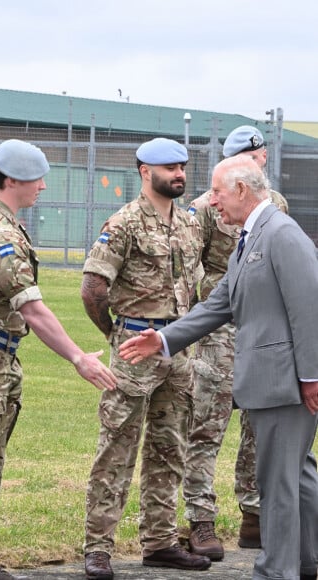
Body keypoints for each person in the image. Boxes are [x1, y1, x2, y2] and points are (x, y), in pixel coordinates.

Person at [120, 154, 318, 580]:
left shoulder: (281, 234)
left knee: (277, 484)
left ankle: (275, 571)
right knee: (296, 476)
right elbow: (217, 304)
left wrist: (311, 377)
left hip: (286, 384)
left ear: (243, 191)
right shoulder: (249, 240)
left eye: (217, 192)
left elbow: (310, 307)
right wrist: (165, 338)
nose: (211, 201)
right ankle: (305, 563)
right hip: (272, 382)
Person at [0, 138, 117, 580]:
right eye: (37, 178)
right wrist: (79, 358)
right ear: (13, 180)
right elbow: (33, 309)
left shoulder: (4, 225)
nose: (42, 186)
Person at [81, 137, 209, 580]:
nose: (178, 174)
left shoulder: (190, 224)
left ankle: (159, 542)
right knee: (116, 450)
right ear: (144, 171)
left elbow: (196, 287)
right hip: (135, 351)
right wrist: (117, 335)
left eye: (182, 167)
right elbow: (94, 290)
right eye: (169, 168)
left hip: (177, 349)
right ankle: (97, 548)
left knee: (169, 449)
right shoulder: (124, 224)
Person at [183, 125, 289, 560]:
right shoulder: (206, 207)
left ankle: (254, 515)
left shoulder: (275, 205)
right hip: (220, 331)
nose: (259, 160)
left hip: (260, 328)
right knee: (209, 421)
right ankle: (201, 519)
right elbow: (190, 269)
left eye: (258, 155)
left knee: (258, 425)